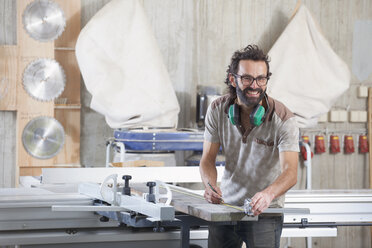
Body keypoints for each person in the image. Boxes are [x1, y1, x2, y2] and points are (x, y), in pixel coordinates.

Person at [199, 44, 299, 248]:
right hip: (225, 207)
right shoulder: (218, 109)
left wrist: (268, 194)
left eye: (261, 79)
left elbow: (291, 172)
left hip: (266, 212)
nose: (255, 85)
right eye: (247, 78)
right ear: (232, 79)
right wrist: (209, 186)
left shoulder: (283, 119)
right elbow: (207, 159)